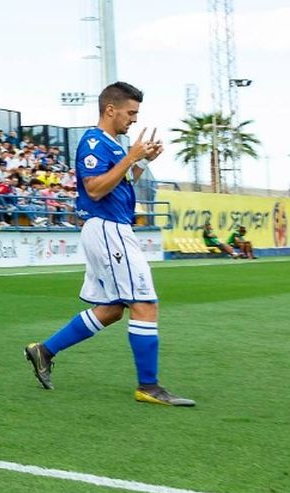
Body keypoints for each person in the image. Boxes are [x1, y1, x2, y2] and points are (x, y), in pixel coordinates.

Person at [24, 82, 194, 407]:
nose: (134, 119)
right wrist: (131, 156)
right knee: (145, 304)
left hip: (112, 228)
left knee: (112, 310)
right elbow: (97, 189)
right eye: (131, 113)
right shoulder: (93, 141)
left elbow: (121, 182)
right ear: (110, 109)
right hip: (108, 229)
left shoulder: (114, 145)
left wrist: (142, 162)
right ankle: (149, 386)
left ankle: (43, 351)